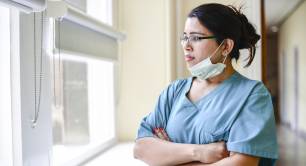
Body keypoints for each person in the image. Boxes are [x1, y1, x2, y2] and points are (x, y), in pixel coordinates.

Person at [134, 3, 278, 166]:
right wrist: (200, 152)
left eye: (196, 38)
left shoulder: (252, 95)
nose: (186, 46)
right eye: (184, 37)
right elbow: (141, 148)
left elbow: (242, 164)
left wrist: (167, 155)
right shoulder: (174, 91)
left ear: (225, 46)